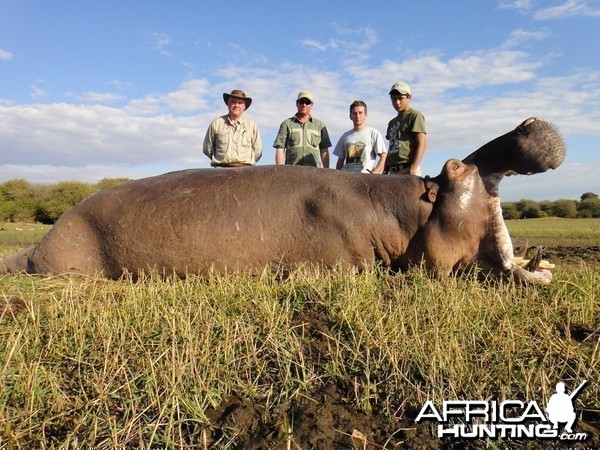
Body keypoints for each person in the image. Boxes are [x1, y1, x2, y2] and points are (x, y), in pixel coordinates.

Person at [203, 89, 262, 167]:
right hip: (221, 170)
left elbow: (258, 151)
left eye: (240, 103)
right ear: (228, 104)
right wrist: (220, 161)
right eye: (233, 102)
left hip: (246, 171)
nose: (236, 105)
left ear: (244, 106)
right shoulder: (216, 123)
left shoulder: (251, 125)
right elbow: (207, 148)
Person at [273, 90, 332, 168]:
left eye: (307, 102)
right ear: (297, 104)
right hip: (292, 171)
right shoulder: (286, 124)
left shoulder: (320, 125)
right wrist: (279, 170)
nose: (304, 105)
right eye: (301, 102)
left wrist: (326, 171)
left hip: (314, 172)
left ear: (312, 105)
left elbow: (324, 150)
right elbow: (280, 149)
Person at [384, 81, 427, 175]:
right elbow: (391, 147)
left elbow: (422, 144)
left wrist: (413, 168)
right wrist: (385, 170)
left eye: (401, 98)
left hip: (408, 168)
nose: (397, 102)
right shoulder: (391, 122)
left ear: (409, 97)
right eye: (394, 99)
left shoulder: (415, 115)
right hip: (392, 170)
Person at [334, 100, 387, 174]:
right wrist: (338, 177)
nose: (357, 116)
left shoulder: (373, 133)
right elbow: (340, 160)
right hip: (347, 179)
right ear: (350, 116)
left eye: (360, 113)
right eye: (354, 113)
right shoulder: (345, 136)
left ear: (365, 115)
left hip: (366, 178)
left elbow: (383, 156)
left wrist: (374, 174)